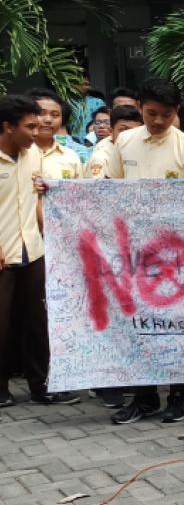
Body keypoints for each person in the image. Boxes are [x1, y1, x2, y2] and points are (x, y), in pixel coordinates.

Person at [105, 79, 184, 425]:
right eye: (150, 114)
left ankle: (178, 396)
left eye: (165, 114)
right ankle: (144, 397)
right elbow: (109, 191)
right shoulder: (125, 142)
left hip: (177, 256)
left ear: (177, 113)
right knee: (136, 323)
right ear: (141, 108)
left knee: (176, 324)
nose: (158, 121)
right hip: (132, 251)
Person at [0, 94, 80, 410]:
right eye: (30, 126)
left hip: (33, 249)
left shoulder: (32, 155)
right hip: (3, 253)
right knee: (2, 325)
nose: (37, 132)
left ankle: (42, 384)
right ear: (7, 127)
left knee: (38, 322)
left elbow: (34, 201)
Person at [28, 90, 84, 181]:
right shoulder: (14, 153)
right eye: (41, 113)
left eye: (55, 115)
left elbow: (79, 193)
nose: (48, 120)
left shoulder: (71, 157)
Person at [86, 106, 141, 179]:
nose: (129, 135)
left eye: (135, 131)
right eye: (124, 130)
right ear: (111, 131)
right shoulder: (100, 158)